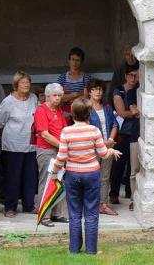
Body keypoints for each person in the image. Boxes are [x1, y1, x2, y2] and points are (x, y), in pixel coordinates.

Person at [50, 98, 121, 255]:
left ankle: (74, 249)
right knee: (91, 213)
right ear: (89, 114)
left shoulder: (66, 131)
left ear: (73, 114)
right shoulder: (94, 130)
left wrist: (54, 173)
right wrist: (111, 151)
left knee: (74, 214)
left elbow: (61, 158)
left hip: (72, 175)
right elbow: (103, 153)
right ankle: (91, 250)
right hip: (91, 174)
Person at [0, 71, 39, 218]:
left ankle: (29, 205)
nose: (26, 85)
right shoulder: (8, 101)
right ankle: (10, 207)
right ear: (16, 85)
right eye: (22, 82)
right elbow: (0, 122)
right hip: (12, 145)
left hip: (31, 145)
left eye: (28, 82)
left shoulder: (33, 98)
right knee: (12, 177)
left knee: (30, 177)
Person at [33, 83, 69, 227]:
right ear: (47, 96)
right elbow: (45, 135)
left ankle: (58, 214)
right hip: (46, 150)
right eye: (55, 95)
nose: (58, 98)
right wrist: (63, 146)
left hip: (59, 150)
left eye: (60, 95)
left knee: (60, 181)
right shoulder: (41, 110)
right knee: (47, 181)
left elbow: (64, 130)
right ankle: (44, 215)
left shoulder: (59, 111)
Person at [86, 82, 120, 216]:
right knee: (90, 176)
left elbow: (115, 124)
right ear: (89, 92)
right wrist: (101, 143)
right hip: (92, 147)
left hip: (107, 146)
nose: (97, 92)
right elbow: (85, 127)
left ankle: (103, 205)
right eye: (94, 89)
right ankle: (90, 204)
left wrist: (110, 140)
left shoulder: (106, 107)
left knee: (105, 176)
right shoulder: (85, 107)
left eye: (100, 89)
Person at [110, 67, 141, 209]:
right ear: (125, 75)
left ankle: (130, 193)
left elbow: (137, 112)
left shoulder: (138, 90)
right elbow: (122, 112)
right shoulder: (119, 90)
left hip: (135, 132)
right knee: (119, 163)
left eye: (136, 75)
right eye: (130, 75)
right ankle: (114, 193)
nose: (133, 78)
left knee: (133, 165)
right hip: (122, 132)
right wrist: (134, 113)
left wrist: (136, 113)